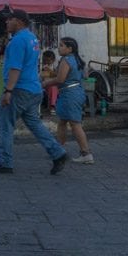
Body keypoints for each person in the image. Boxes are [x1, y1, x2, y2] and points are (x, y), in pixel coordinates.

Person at [0, 8, 67, 175]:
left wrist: (8, 90)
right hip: (34, 89)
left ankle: (4, 161)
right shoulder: (32, 38)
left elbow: (16, 68)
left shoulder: (17, 41)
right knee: (35, 125)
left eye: (10, 19)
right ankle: (57, 152)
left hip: (18, 89)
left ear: (20, 21)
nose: (6, 22)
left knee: (5, 125)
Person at [44, 37, 94, 165]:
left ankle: (86, 153)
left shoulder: (66, 60)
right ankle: (59, 150)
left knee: (75, 124)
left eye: (61, 45)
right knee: (62, 122)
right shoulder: (78, 60)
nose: (59, 48)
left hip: (69, 94)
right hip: (77, 91)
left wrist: (45, 83)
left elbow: (60, 79)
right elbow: (85, 76)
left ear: (69, 48)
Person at [41, 49, 58, 115]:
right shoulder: (40, 66)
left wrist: (50, 70)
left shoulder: (55, 67)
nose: (46, 62)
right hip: (43, 84)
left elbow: (57, 75)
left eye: (48, 60)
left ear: (53, 60)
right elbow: (40, 76)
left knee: (53, 87)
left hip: (51, 85)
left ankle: (52, 106)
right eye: (44, 60)